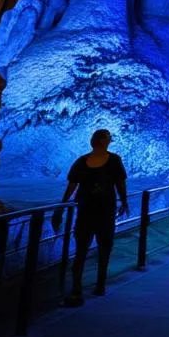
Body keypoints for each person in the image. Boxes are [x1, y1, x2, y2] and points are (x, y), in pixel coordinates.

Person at [54, 129, 129, 306]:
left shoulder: (82, 161)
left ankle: (77, 288)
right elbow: (120, 183)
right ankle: (98, 285)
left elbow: (72, 185)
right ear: (103, 141)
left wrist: (62, 206)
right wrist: (124, 201)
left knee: (82, 248)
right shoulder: (113, 160)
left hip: (87, 210)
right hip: (103, 210)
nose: (110, 140)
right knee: (104, 247)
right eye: (109, 138)